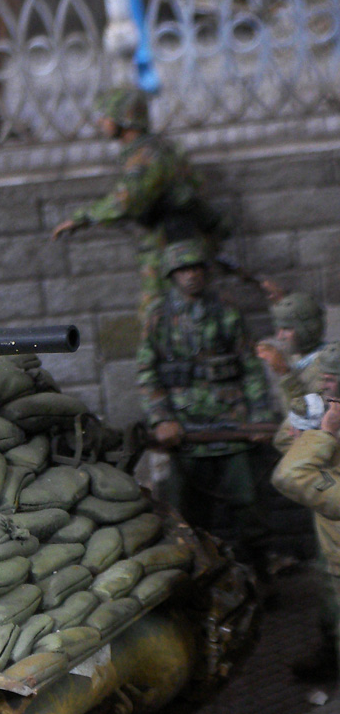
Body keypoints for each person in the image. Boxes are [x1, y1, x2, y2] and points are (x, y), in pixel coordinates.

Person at [135, 239, 274, 564]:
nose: (191, 275)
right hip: (185, 431)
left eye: (197, 268)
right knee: (183, 515)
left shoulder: (225, 311)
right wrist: (161, 418)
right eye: (183, 269)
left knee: (250, 509)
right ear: (172, 275)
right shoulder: (159, 316)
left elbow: (250, 366)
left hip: (233, 426)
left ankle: (258, 571)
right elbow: (146, 372)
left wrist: (260, 417)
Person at [51, 87, 227, 313]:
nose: (101, 122)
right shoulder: (159, 147)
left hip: (170, 243)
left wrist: (82, 218)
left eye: (106, 116)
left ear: (124, 118)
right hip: (179, 240)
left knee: (160, 310)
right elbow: (195, 183)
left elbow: (126, 200)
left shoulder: (145, 156)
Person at [270, 342, 340, 681]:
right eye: (325, 379)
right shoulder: (325, 408)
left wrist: (323, 435)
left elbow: (291, 474)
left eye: (332, 380)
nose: (326, 385)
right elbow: (285, 441)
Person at [256, 290, 329, 422]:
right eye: (279, 329)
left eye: (287, 329)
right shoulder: (298, 360)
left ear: (307, 329)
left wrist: (285, 374)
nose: (280, 337)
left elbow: (310, 420)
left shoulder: (327, 366)